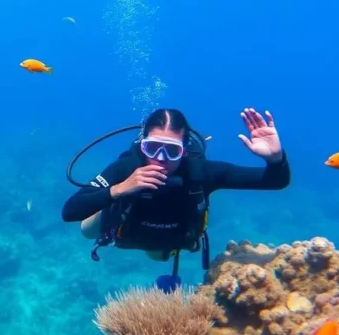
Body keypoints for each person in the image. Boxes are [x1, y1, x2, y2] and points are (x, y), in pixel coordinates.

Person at [61, 107, 291, 292]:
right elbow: (69, 212)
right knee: (86, 229)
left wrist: (276, 159)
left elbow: (275, 182)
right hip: (118, 225)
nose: (160, 159)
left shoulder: (201, 172)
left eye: (171, 151)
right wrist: (120, 188)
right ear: (142, 145)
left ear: (184, 150)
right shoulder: (126, 167)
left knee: (156, 255)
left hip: (166, 240)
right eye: (152, 148)